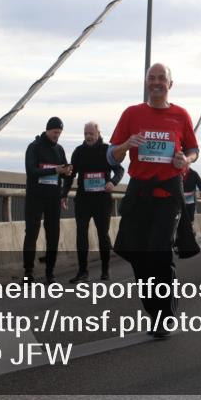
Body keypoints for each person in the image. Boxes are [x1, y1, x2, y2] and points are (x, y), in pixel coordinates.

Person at [107, 63, 199, 337]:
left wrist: (187, 159)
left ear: (170, 84)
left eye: (162, 78)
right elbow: (112, 155)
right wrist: (126, 146)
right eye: (152, 78)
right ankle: (154, 309)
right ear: (147, 83)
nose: (157, 82)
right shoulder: (132, 114)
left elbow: (193, 149)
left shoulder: (180, 115)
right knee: (136, 253)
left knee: (159, 252)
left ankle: (164, 316)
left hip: (168, 193)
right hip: (139, 191)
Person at [67, 121, 124, 283]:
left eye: (91, 134)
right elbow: (71, 175)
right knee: (81, 235)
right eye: (86, 134)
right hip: (83, 200)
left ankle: (105, 270)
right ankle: (82, 271)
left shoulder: (106, 150)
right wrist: (63, 193)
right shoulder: (79, 151)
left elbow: (119, 170)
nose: (88, 137)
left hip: (102, 200)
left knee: (103, 235)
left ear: (98, 133)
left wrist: (112, 182)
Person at [23, 117, 72, 283]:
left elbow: (64, 171)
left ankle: (50, 273)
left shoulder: (59, 150)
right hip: (35, 197)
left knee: (53, 236)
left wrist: (67, 172)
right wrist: (54, 170)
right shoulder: (34, 147)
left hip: (53, 198)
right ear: (47, 130)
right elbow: (31, 171)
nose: (57, 136)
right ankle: (28, 273)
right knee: (31, 233)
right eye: (54, 132)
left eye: (59, 133)